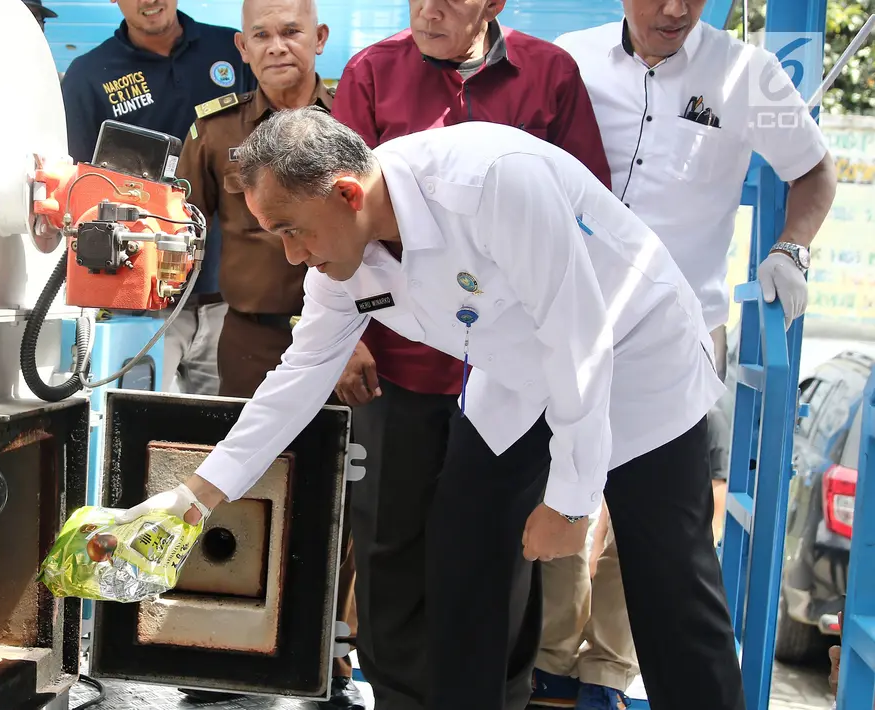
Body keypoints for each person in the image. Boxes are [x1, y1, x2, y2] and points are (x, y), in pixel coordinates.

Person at [122, 107, 745, 710]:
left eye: (291, 229)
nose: (291, 255)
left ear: (347, 194)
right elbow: (300, 376)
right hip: (518, 378)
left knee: (668, 580)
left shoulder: (494, 181)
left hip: (635, 358)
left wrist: (572, 501)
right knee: (462, 546)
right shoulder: (339, 264)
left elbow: (579, 341)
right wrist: (194, 496)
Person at [535, 1, 838, 705]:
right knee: (533, 512)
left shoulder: (745, 75)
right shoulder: (566, 61)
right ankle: (540, 672)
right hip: (555, 330)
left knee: (668, 557)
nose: (673, 9)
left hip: (670, 345)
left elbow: (813, 172)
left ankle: (629, 679)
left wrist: (789, 248)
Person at [328, 1, 611, 706]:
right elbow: (337, 209)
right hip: (401, 361)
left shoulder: (549, 75)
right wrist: (352, 339)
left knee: (501, 545)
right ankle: (395, 694)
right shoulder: (371, 73)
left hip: (514, 373)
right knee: (389, 540)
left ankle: (499, 693)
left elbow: (587, 208)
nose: (429, 10)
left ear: (492, 4)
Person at [172, 1, 362, 705]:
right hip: (251, 338)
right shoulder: (215, 129)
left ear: (318, 39)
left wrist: (361, 339)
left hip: (349, 345)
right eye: (262, 35)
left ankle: (328, 662)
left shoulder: (354, 119)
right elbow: (179, 225)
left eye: (291, 32)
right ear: (241, 48)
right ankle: (227, 657)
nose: (277, 47)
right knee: (241, 486)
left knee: (341, 496)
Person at [59, 0, 257, 396]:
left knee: (223, 434)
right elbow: (77, 187)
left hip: (231, 300)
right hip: (137, 300)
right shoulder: (88, 76)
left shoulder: (234, 52)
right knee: (132, 429)